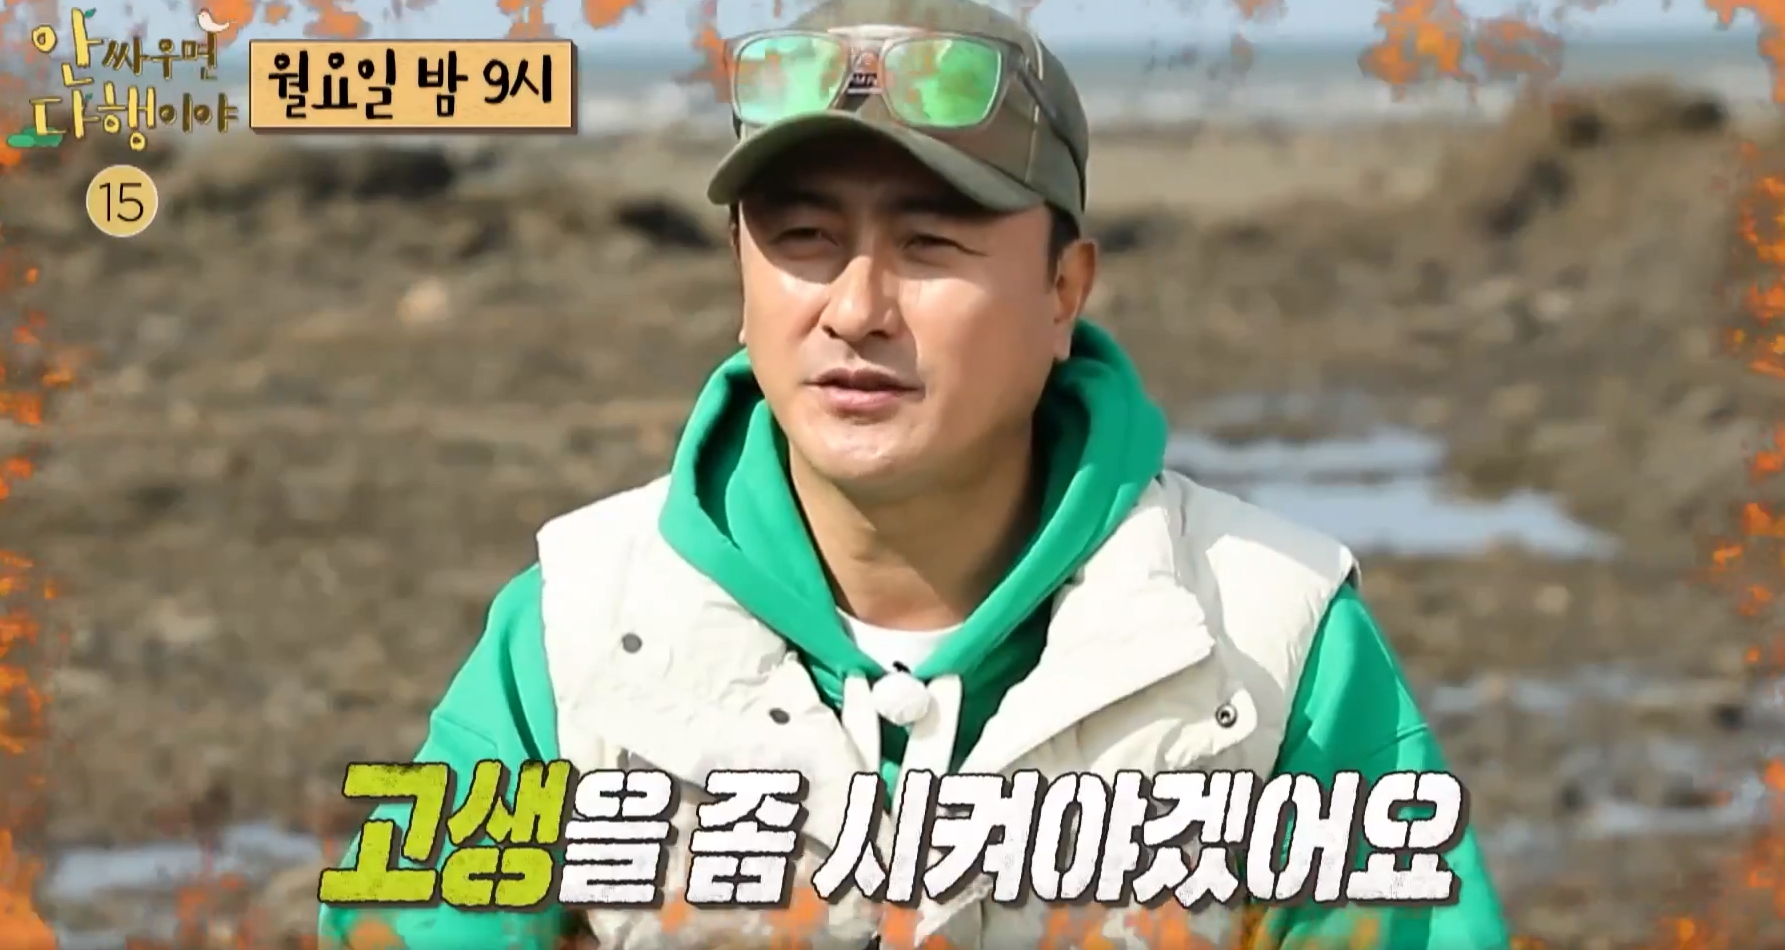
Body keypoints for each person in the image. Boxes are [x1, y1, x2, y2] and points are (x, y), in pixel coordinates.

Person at [318, 0, 1513, 947]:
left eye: (931, 242)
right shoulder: (576, 630)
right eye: (803, 238)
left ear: (1063, 291)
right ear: (740, 272)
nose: (855, 308)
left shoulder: (1269, 636)